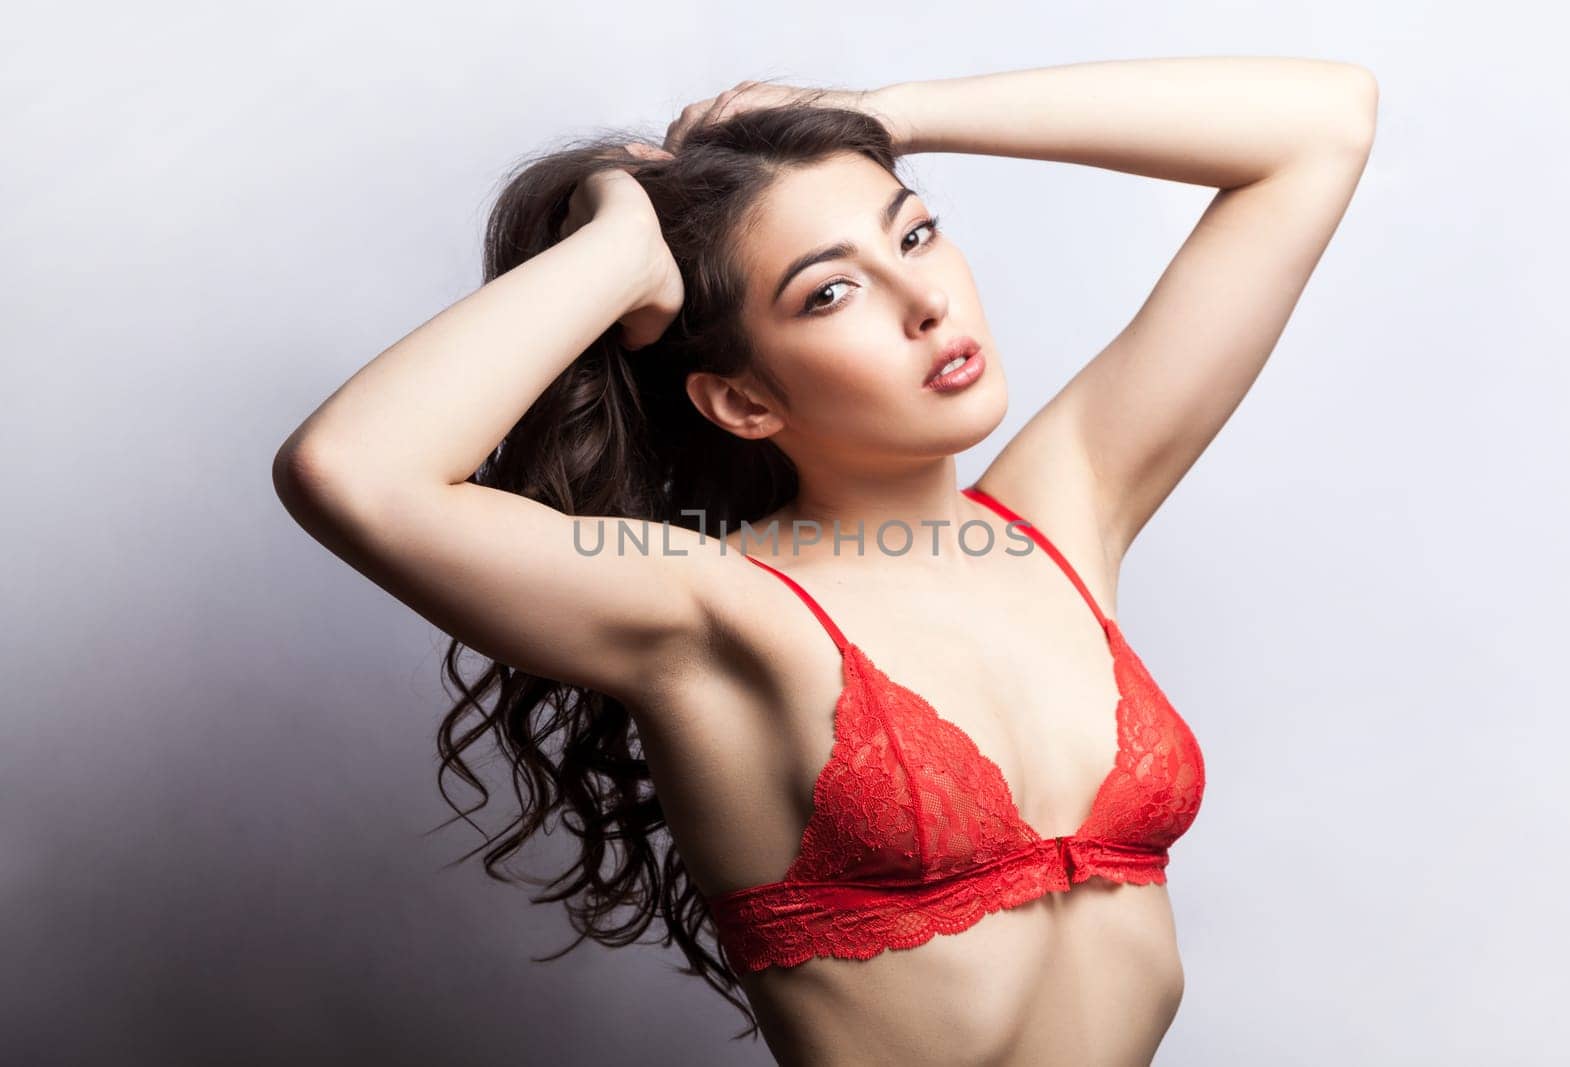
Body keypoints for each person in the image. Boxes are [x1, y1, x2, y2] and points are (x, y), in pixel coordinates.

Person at [273, 60, 1378, 1066]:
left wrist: (883, 118)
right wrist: (616, 241)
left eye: (913, 233)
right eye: (829, 291)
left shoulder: (1064, 514)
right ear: (743, 399)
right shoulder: (716, 612)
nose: (925, 299)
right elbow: (351, 471)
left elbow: (1319, 125)